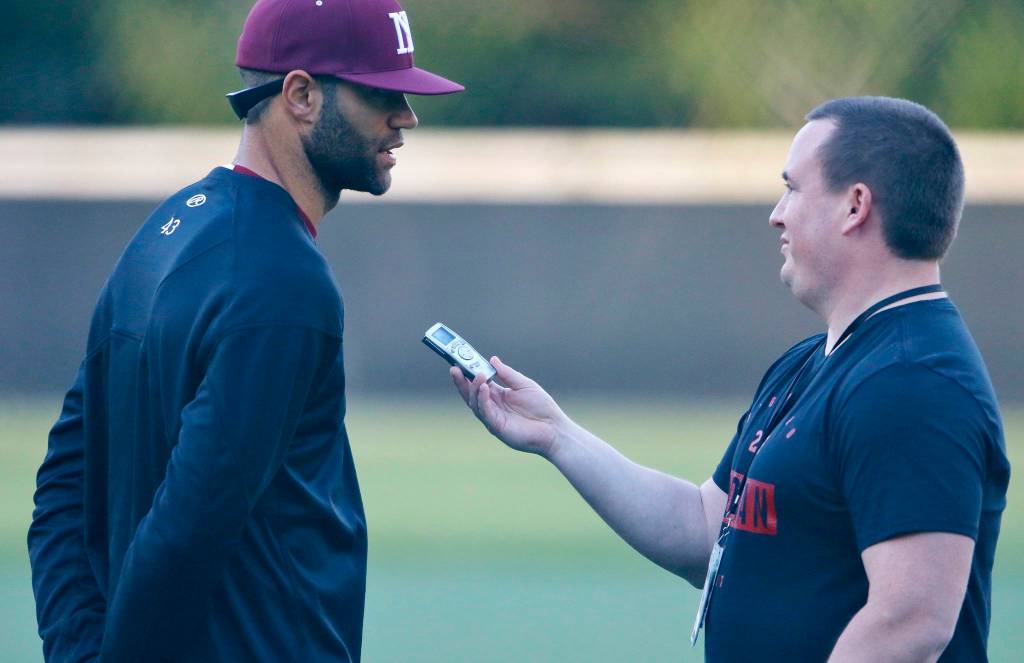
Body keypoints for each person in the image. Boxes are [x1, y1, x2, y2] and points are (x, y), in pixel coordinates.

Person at [451, 96, 1010, 661]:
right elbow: (706, 528)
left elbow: (910, 621)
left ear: (854, 206)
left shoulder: (912, 380)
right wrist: (556, 434)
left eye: (793, 187)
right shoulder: (817, 362)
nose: (777, 212)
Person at [27, 1, 462, 661]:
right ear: (301, 94)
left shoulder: (165, 233)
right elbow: (185, 529)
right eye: (381, 92)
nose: (406, 116)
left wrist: (77, 649)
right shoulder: (285, 282)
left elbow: (63, 488)